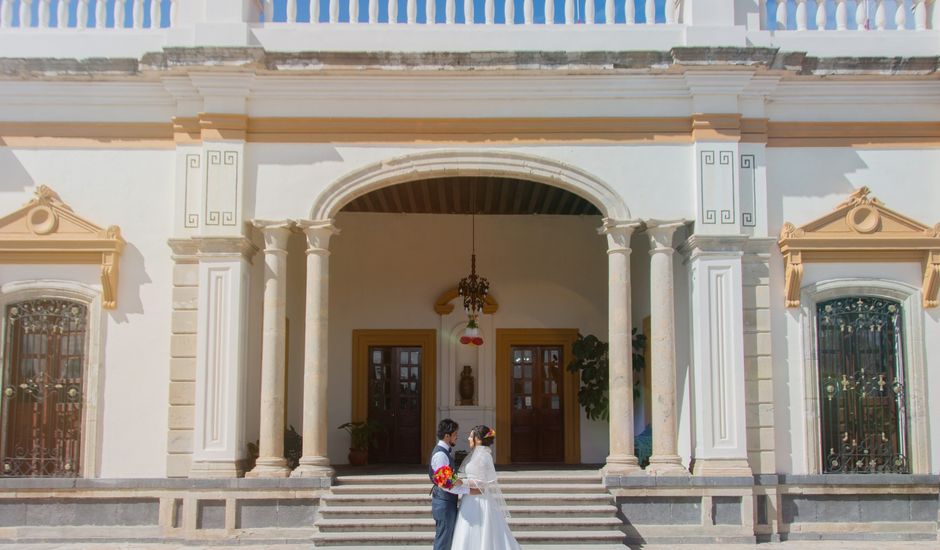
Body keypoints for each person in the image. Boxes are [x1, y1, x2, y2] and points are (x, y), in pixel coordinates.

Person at [450, 425, 521, 550]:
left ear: (478, 439)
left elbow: (482, 483)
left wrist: (462, 482)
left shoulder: (484, 455)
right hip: (470, 498)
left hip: (479, 500)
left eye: (471, 436)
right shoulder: (476, 454)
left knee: (480, 532)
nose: (468, 438)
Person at [430, 418, 471, 550]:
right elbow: (447, 485)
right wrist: (469, 490)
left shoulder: (444, 452)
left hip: (446, 502)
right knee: (443, 541)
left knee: (446, 540)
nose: (456, 437)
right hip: (444, 503)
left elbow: (450, 480)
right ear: (447, 436)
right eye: (454, 434)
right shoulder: (440, 455)